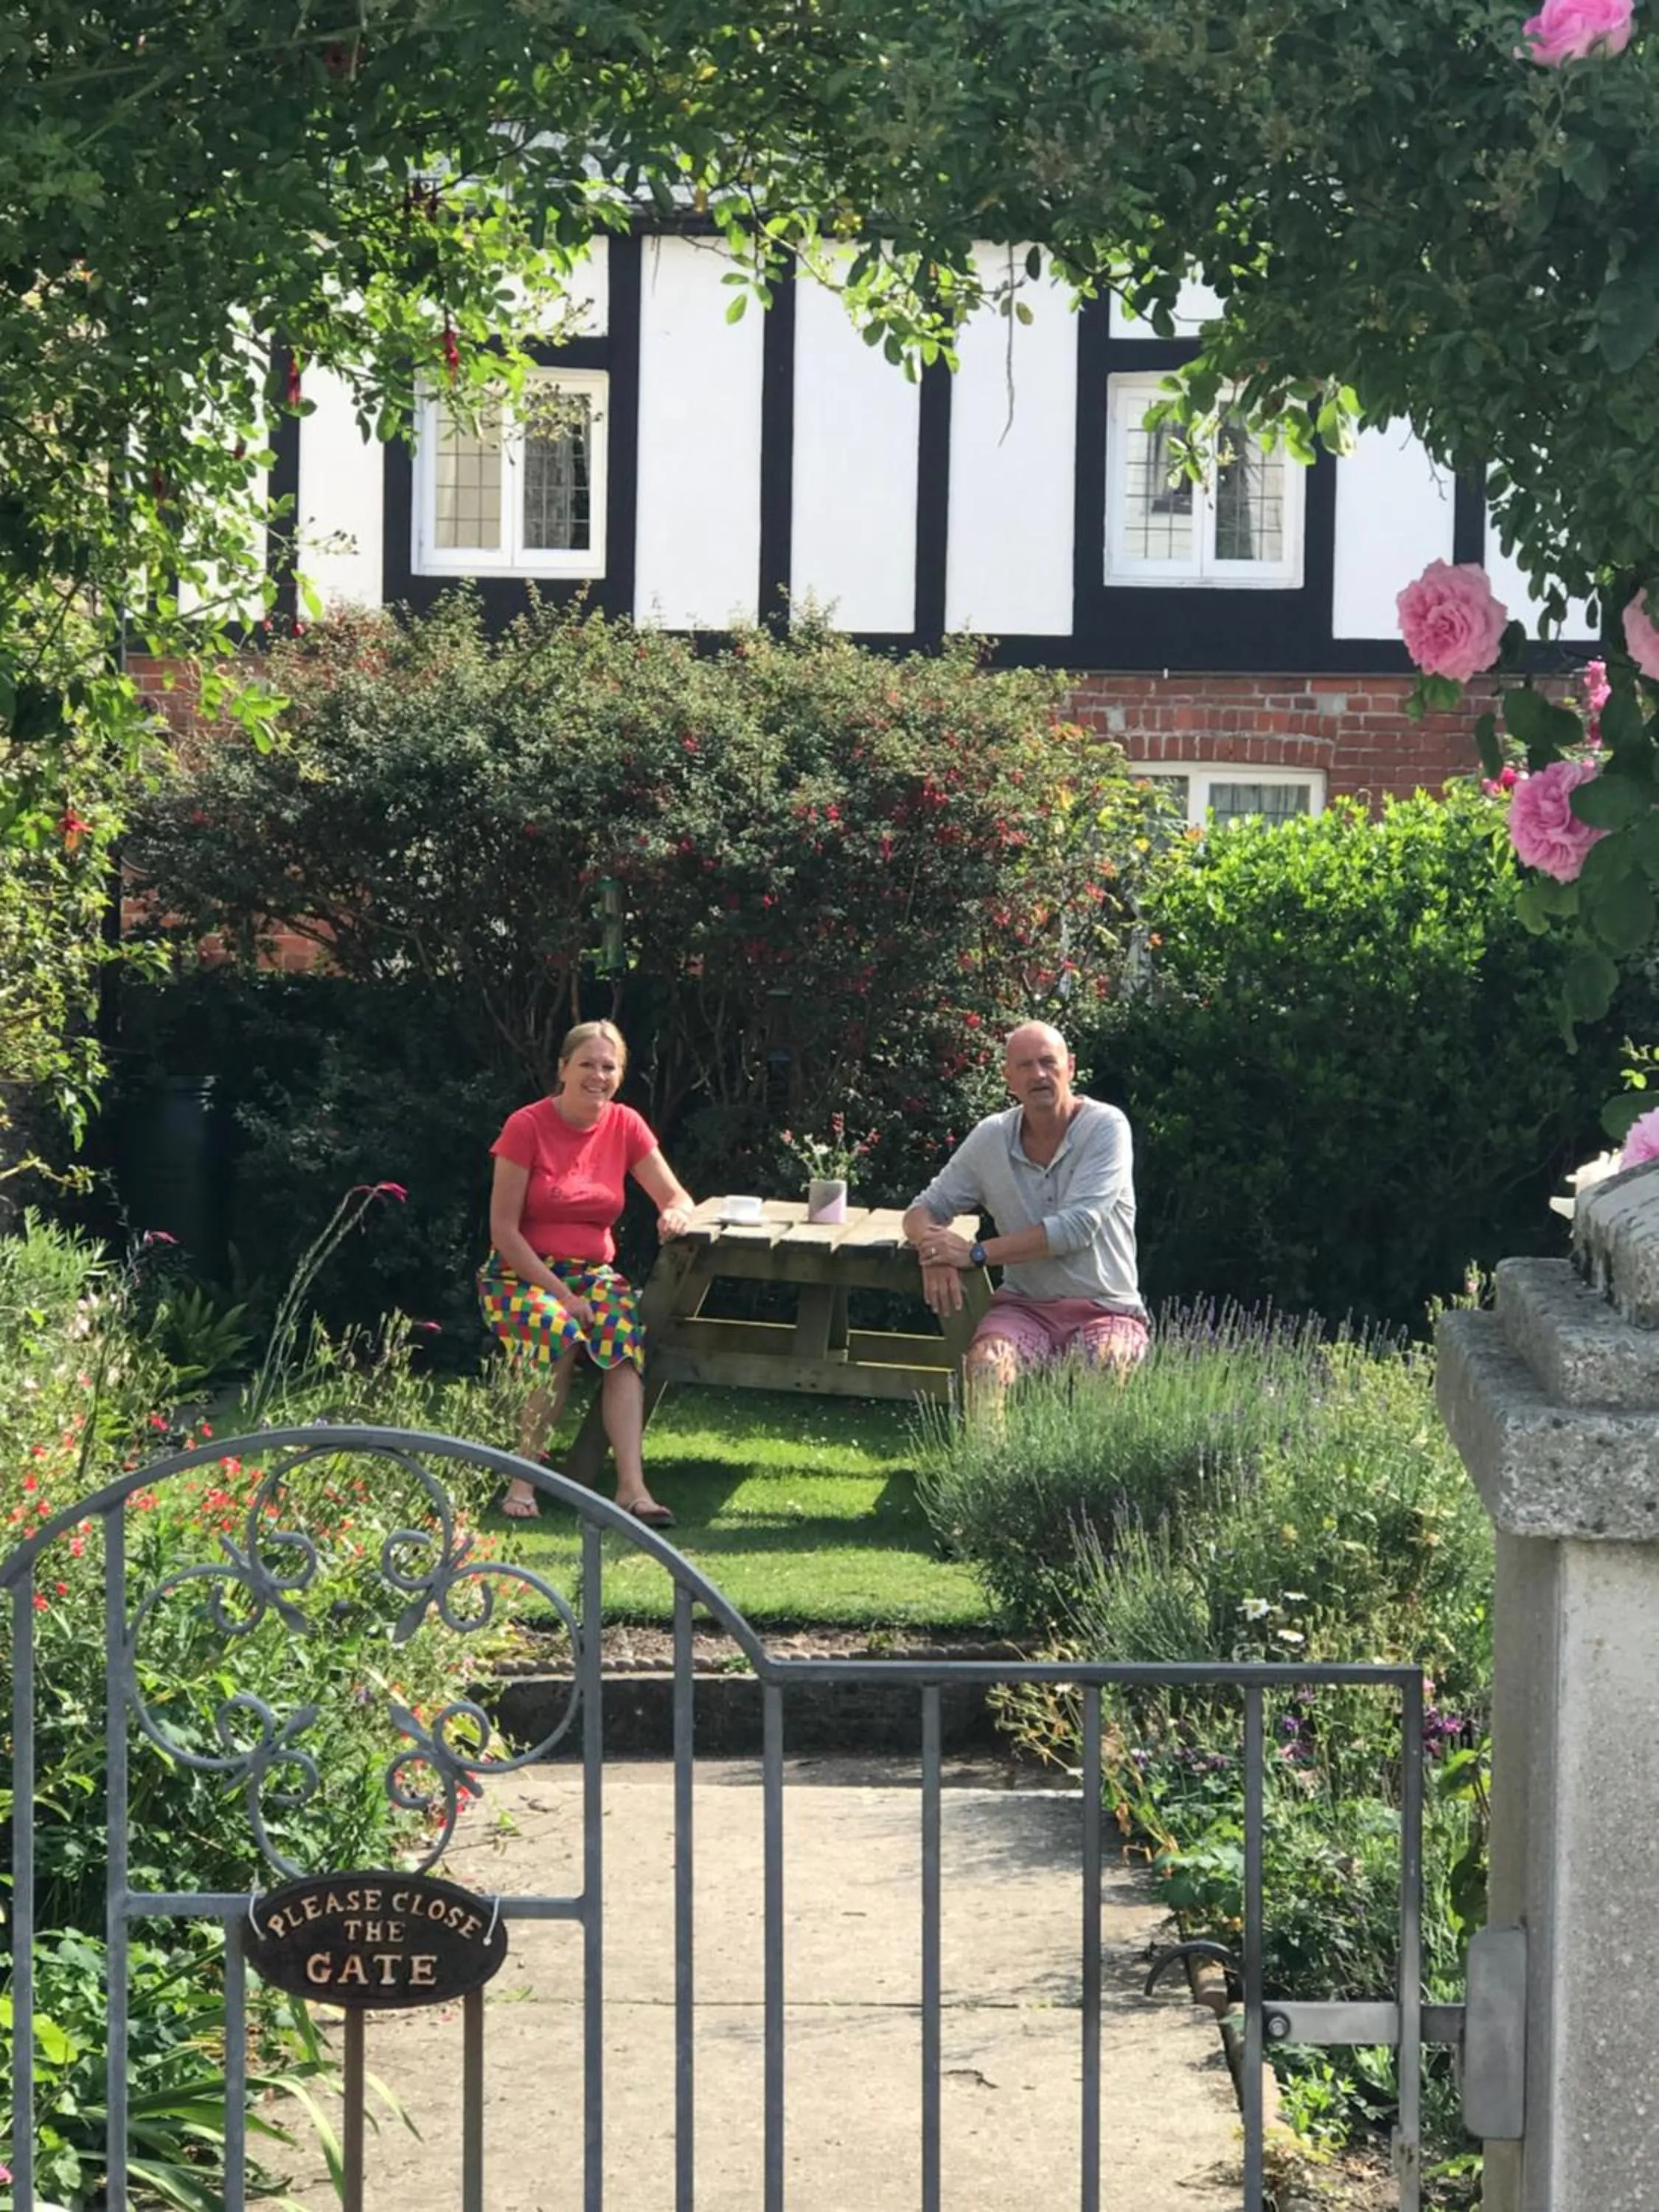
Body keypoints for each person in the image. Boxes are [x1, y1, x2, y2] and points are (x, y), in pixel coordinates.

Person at [477, 1020, 695, 1524]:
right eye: (587, 1064)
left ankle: (632, 1489)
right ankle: (522, 1481)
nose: (598, 1076)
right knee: (560, 1334)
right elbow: (504, 1232)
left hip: (593, 1274)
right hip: (519, 1274)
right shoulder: (525, 1126)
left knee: (624, 1346)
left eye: (608, 1066)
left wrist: (675, 1213)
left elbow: (676, 1195)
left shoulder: (625, 1125)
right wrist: (560, 1295)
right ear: (562, 1068)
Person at [902, 1020, 1147, 1410]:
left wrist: (974, 1253)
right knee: (985, 1369)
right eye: (1025, 1066)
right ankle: (986, 1470)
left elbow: (1076, 1229)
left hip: (1105, 1309)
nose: (1038, 1075)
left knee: (1103, 1367)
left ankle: (1078, 1474)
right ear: (1008, 1079)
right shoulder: (991, 1136)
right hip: (1025, 1309)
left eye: (1049, 1063)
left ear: (1071, 1068)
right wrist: (933, 1251)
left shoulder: (1106, 1127)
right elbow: (924, 1208)